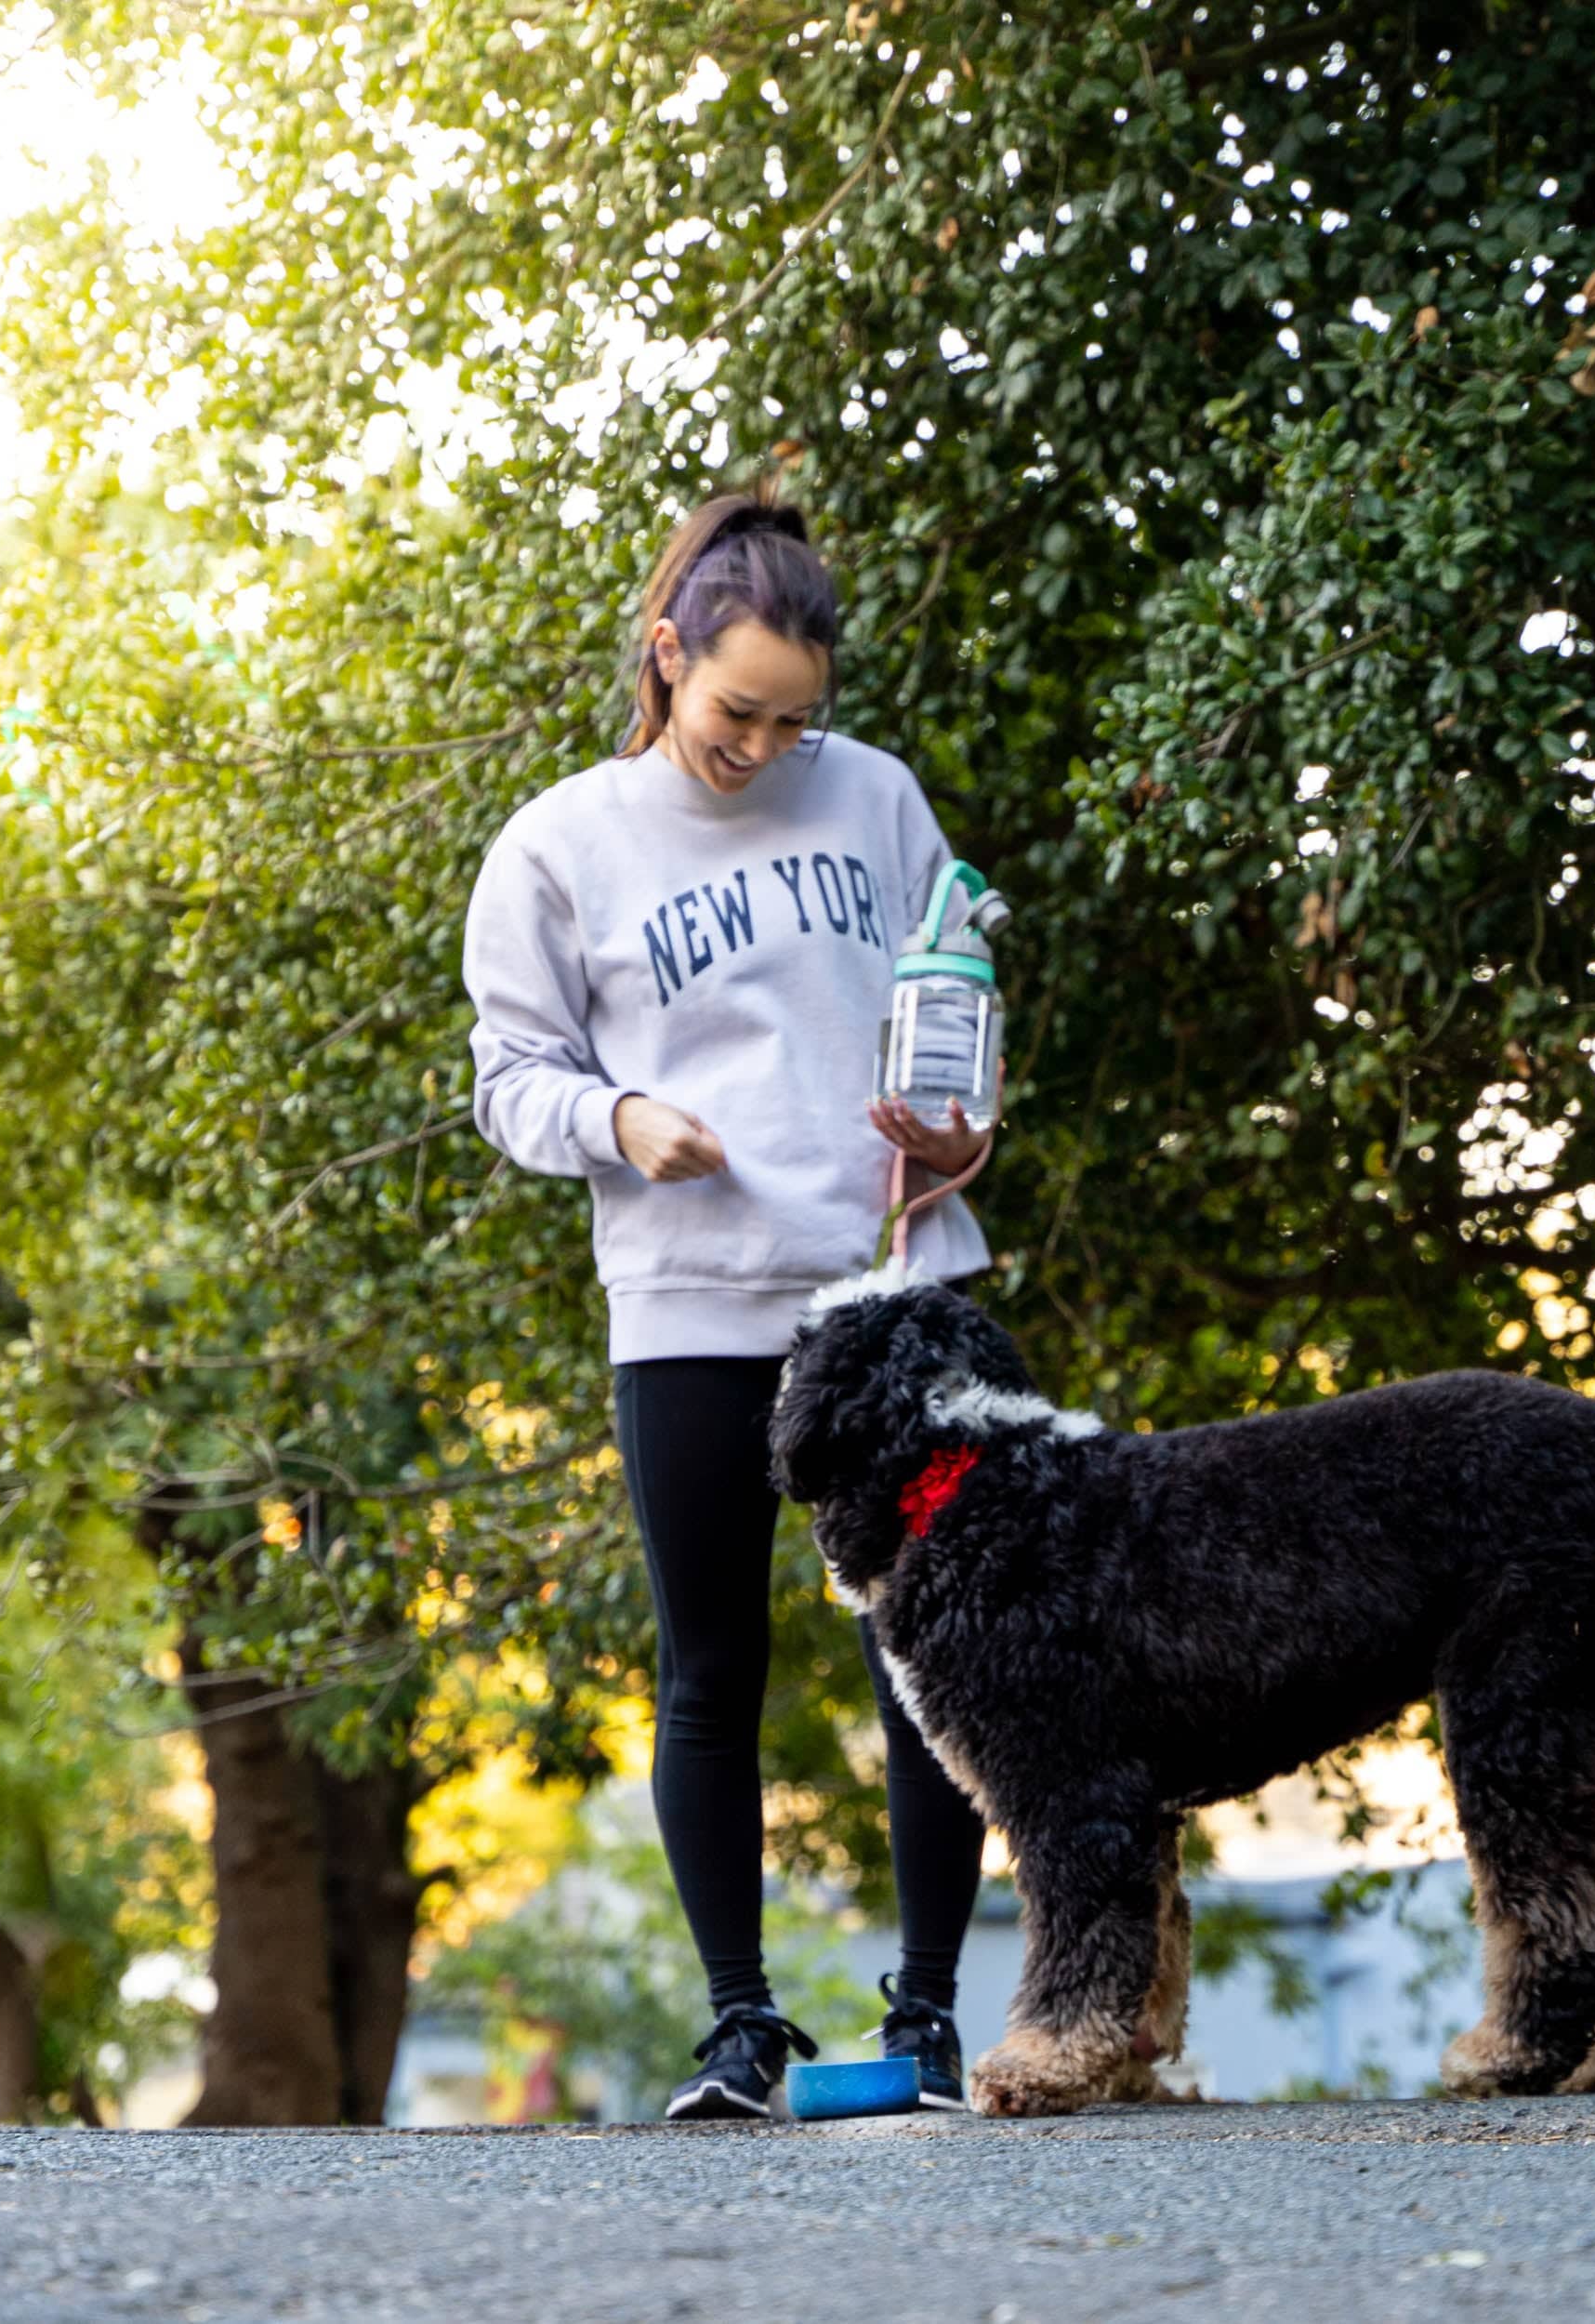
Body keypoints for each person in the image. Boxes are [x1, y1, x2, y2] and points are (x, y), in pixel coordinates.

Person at [460, 476, 996, 2119]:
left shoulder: (881, 798)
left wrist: (961, 1129)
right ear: (666, 654)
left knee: (940, 1660)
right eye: (734, 710)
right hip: (690, 1301)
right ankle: (742, 2028)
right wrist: (618, 1120)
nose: (761, 747)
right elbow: (509, 1078)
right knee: (713, 1669)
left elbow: (958, 1008)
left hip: (898, 1290)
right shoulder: (560, 843)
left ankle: (923, 2023)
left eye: (794, 720)